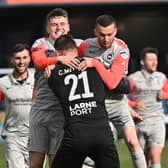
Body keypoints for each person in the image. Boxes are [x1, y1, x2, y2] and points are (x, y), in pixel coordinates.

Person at [78, 14, 147, 168]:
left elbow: (112, 82)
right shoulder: (85, 46)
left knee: (133, 142)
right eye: (102, 34)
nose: (106, 38)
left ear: (115, 32)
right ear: (95, 32)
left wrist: (94, 63)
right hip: (94, 103)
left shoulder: (121, 49)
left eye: (110, 34)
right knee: (88, 148)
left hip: (117, 102)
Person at [48, 34, 120, 168]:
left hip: (76, 135)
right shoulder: (95, 66)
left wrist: (54, 66)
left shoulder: (54, 75)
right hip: (102, 133)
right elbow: (120, 85)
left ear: (58, 53)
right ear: (76, 49)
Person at [29, 8, 82, 168]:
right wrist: (60, 59)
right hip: (41, 110)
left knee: (56, 162)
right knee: (36, 163)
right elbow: (39, 61)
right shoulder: (40, 43)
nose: (59, 27)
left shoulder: (80, 44)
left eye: (62, 24)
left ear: (69, 25)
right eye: (54, 25)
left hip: (63, 113)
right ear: (47, 28)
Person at [128, 47, 168, 168]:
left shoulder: (162, 77)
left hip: (157, 121)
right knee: (143, 162)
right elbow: (122, 99)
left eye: (155, 60)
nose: (154, 62)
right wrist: (134, 104)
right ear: (142, 62)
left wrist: (165, 95)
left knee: (155, 157)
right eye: (150, 60)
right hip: (139, 123)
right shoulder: (133, 78)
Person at [0, 43, 34, 168]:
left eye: (24, 58)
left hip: (35, 137)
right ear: (12, 60)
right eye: (18, 58)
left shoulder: (39, 80)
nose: (21, 62)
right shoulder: (2, 83)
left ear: (30, 58)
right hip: (13, 137)